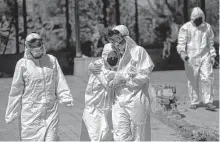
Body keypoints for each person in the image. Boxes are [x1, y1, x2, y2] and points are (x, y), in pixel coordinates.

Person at [5, 33, 74, 141]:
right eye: (32, 44)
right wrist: (11, 112)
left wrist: (65, 96)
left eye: (39, 43)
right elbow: (16, 90)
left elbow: (59, 79)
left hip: (51, 111)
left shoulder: (51, 60)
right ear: (27, 47)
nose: (36, 47)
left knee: (51, 139)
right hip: (31, 115)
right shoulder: (22, 64)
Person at [98, 25, 154, 141]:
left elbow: (145, 74)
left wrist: (125, 79)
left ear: (126, 38)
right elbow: (106, 73)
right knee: (120, 135)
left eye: (118, 40)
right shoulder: (115, 56)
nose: (116, 44)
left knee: (138, 135)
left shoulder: (138, 51)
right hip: (118, 101)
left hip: (136, 100)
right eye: (113, 41)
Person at [177, 7, 217, 110]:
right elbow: (181, 43)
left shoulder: (207, 27)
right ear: (192, 18)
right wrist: (183, 53)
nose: (198, 21)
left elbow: (210, 43)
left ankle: (208, 101)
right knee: (192, 79)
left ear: (202, 18)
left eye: (200, 19)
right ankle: (194, 101)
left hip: (205, 55)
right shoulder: (186, 28)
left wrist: (212, 55)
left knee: (207, 78)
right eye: (196, 19)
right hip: (191, 57)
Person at [82, 43, 119, 141]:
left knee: (108, 132)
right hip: (95, 107)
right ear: (105, 55)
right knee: (94, 133)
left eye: (115, 56)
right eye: (110, 56)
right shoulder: (98, 66)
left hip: (109, 107)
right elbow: (106, 81)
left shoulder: (118, 66)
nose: (113, 58)